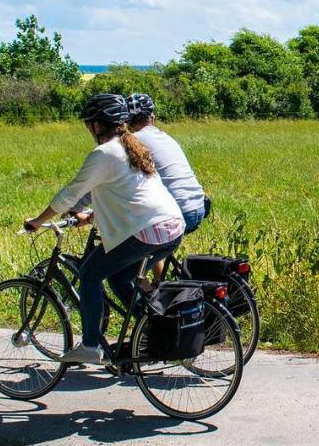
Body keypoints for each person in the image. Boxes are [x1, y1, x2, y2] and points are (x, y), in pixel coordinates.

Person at [24, 93, 185, 365]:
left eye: (89, 123)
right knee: (120, 279)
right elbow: (127, 196)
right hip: (172, 227)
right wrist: (91, 216)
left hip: (148, 230)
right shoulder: (131, 145)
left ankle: (90, 346)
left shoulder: (104, 153)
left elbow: (70, 194)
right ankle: (151, 328)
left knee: (89, 274)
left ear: (98, 125)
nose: (88, 128)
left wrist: (38, 220)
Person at [126, 93, 208, 235]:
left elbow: (113, 177)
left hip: (177, 211)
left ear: (127, 121)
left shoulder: (132, 142)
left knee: (129, 244)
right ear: (152, 117)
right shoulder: (165, 138)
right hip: (198, 204)